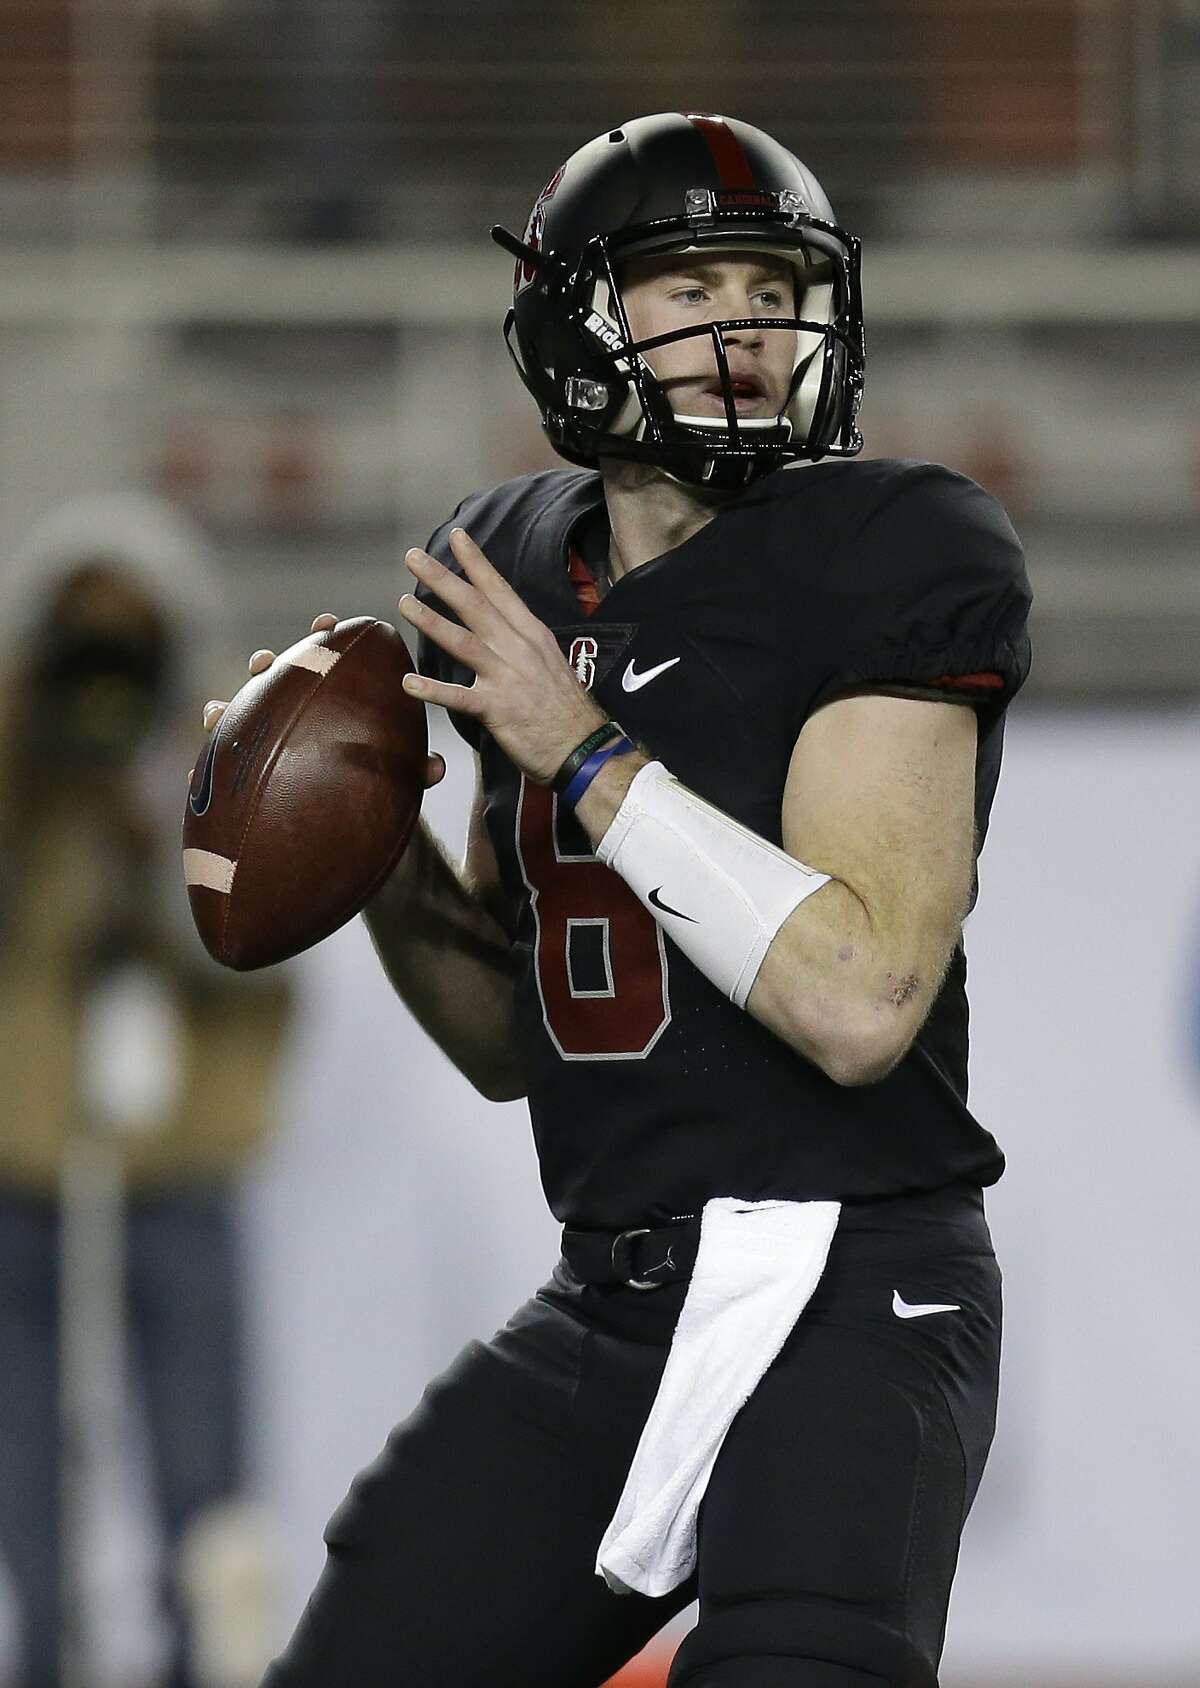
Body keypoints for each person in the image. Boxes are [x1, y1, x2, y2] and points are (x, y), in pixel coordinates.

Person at [228, 114, 1031, 1687]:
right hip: (614, 1288)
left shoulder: (895, 547)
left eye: (771, 283)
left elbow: (863, 1006)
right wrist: (375, 842)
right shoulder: (503, 559)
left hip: (858, 1281)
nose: (744, 325)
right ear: (576, 319)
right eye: (687, 284)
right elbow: (507, 1043)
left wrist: (583, 748)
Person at [0, 494, 292, 1688]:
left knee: (200, 1482)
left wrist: (156, 817)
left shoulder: (222, 784)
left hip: (179, 1181)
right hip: (23, 1185)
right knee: (27, 1484)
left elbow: (260, 961)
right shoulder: (17, 792)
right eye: (85, 635)